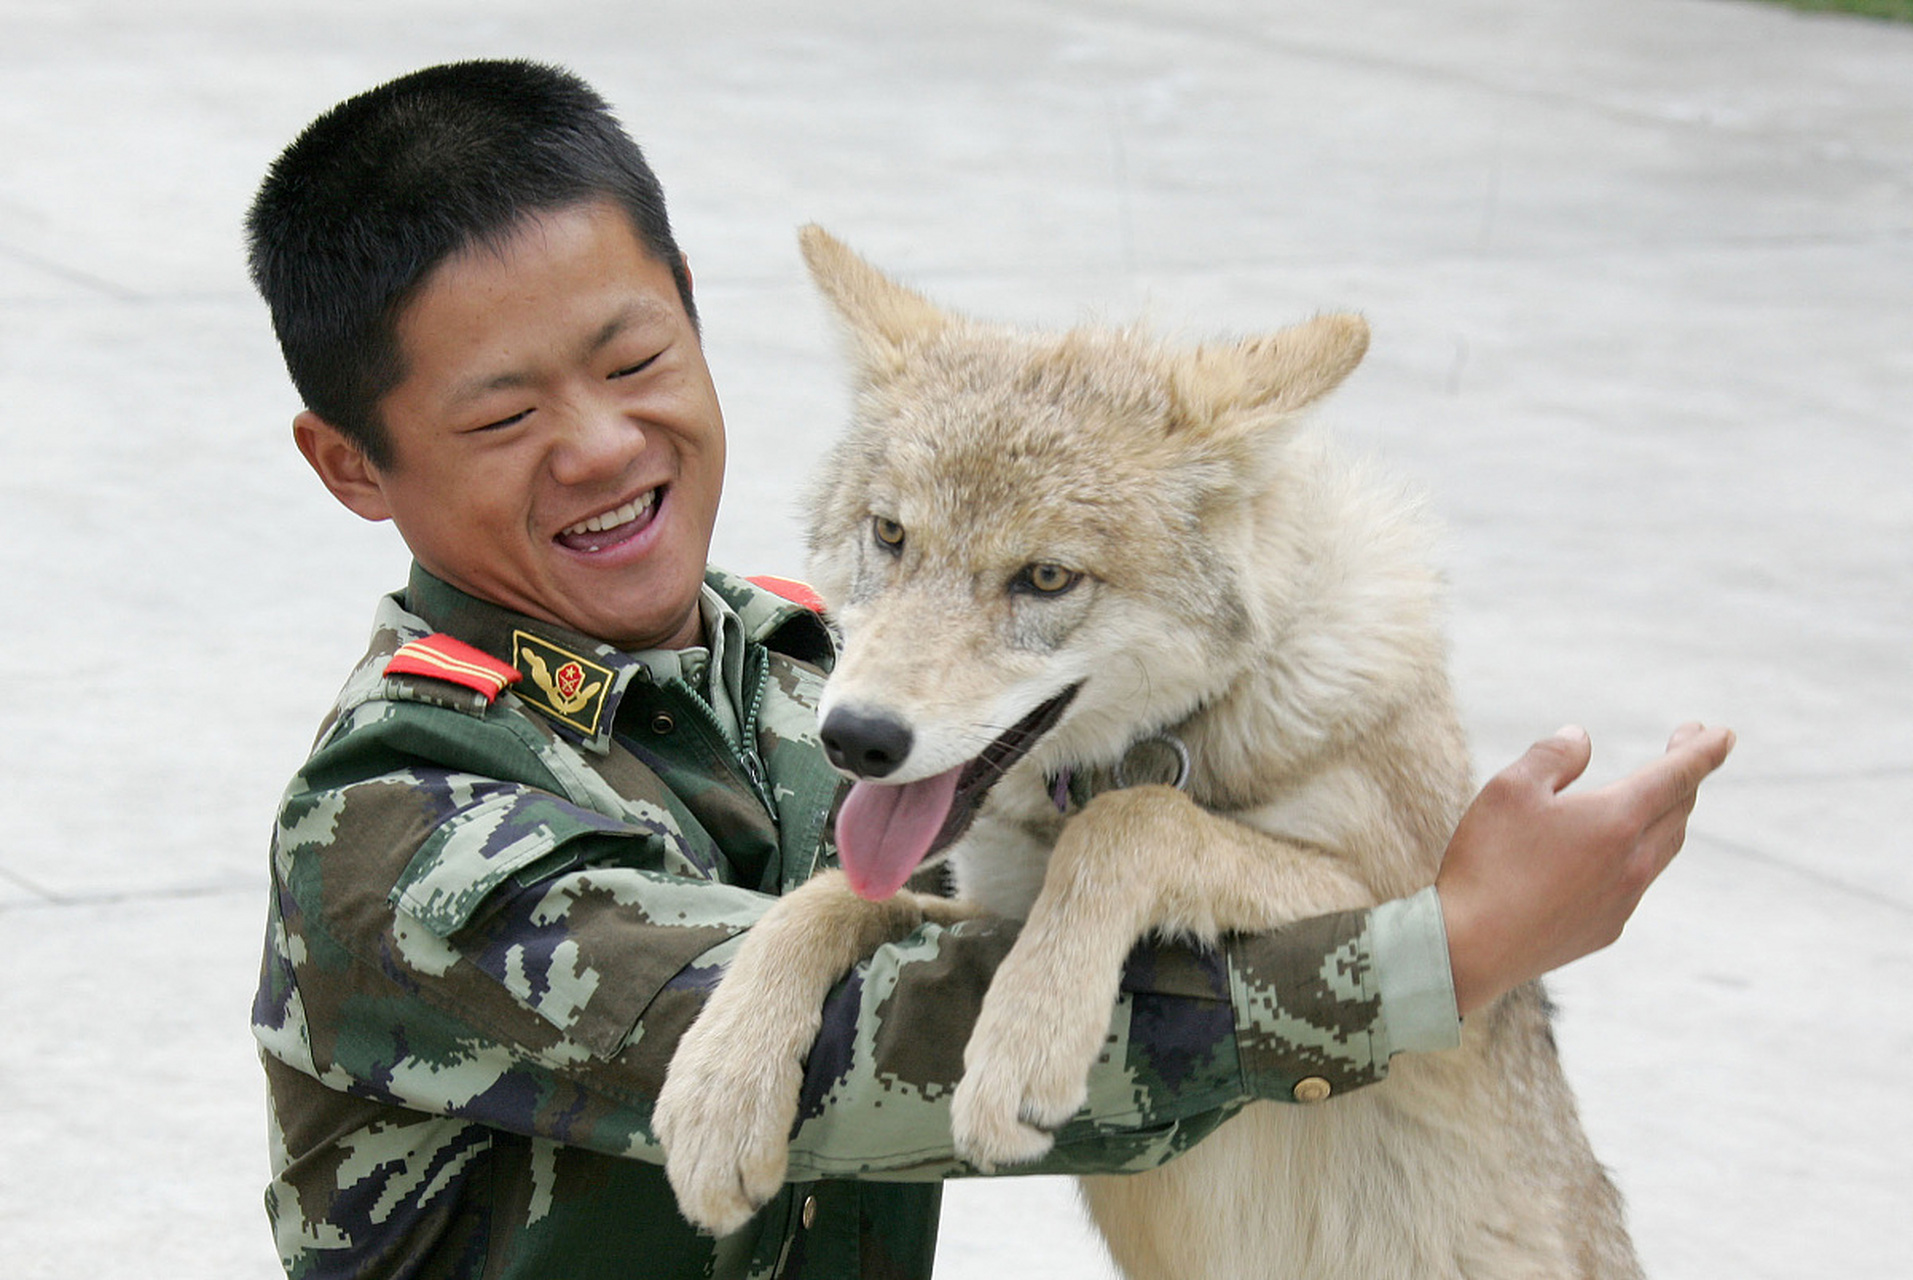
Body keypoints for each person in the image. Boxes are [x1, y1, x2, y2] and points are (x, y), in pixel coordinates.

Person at [247, 59, 1733, 1280]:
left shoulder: (776, 666)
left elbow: (967, 895)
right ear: (349, 462)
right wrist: (1451, 946)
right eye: (504, 415)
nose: (601, 444)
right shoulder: (397, 816)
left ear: (693, 316)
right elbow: (892, 1061)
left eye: (632, 362)